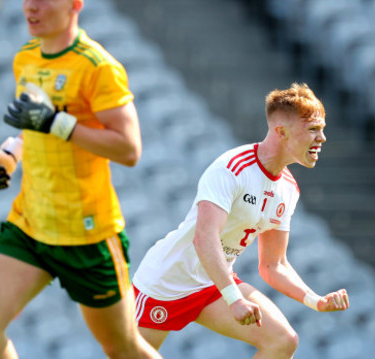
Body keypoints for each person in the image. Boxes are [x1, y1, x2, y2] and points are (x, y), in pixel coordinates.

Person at [0, 1, 162, 358]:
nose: (31, 7)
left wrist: (58, 122)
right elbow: (34, 127)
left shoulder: (97, 66)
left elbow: (129, 149)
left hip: (86, 233)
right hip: (30, 223)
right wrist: (11, 154)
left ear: (75, 4)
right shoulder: (25, 57)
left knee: (123, 348)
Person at [131, 83, 350, 357]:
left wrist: (315, 300)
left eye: (323, 129)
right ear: (282, 132)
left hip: (213, 284)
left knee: (283, 341)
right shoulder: (232, 168)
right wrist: (234, 299)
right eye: (313, 129)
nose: (323, 138)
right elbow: (204, 238)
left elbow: (273, 265)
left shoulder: (288, 188)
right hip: (166, 281)